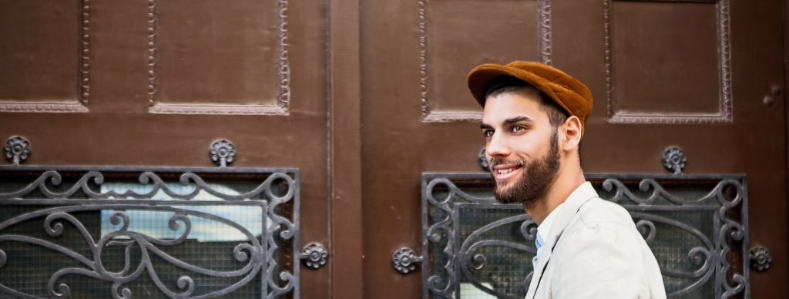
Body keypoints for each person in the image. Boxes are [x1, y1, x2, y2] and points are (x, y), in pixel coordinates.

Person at [467, 61, 666, 298]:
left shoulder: (594, 237)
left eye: (517, 128)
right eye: (489, 132)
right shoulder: (565, 235)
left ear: (570, 134)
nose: (494, 148)